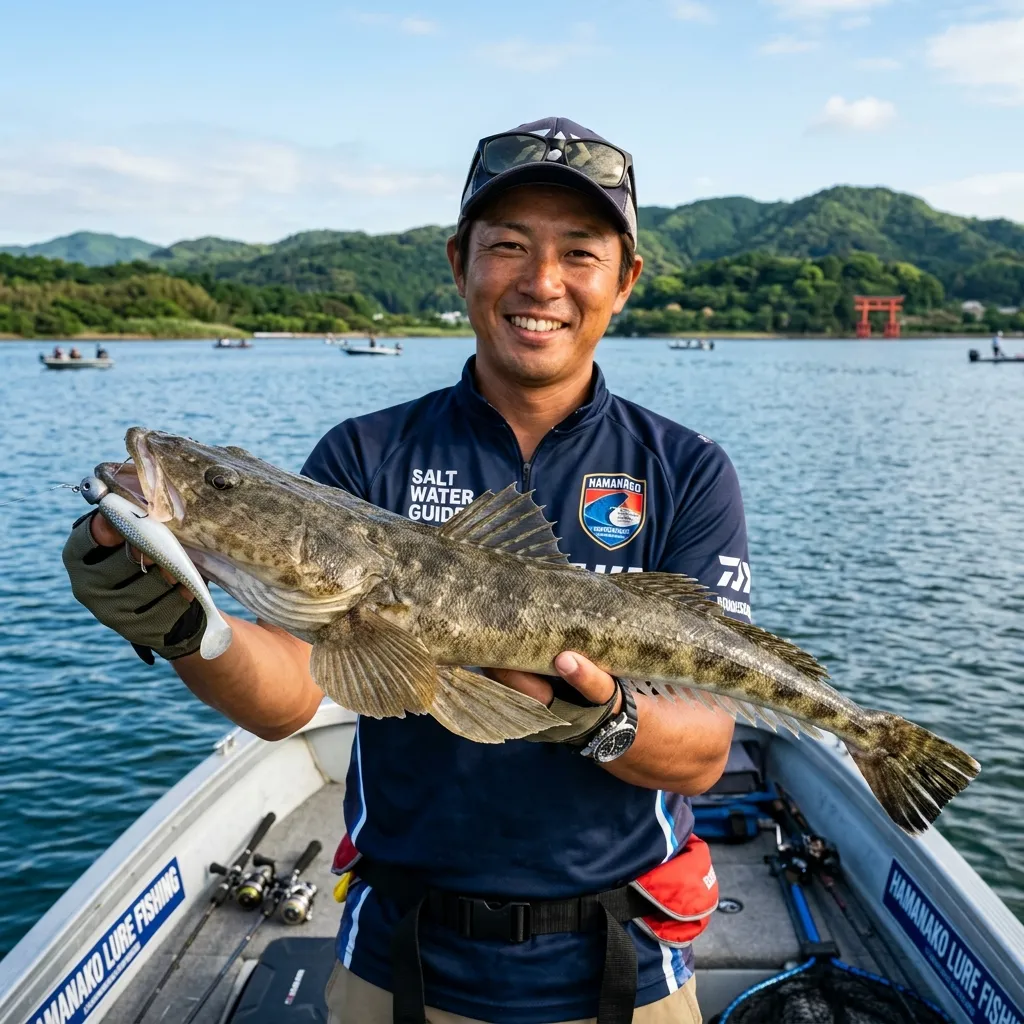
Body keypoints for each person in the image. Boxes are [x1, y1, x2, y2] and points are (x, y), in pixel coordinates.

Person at [63, 117, 751, 1024]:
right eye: (508, 246)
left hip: (626, 965)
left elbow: (703, 752)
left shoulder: (687, 468)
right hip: (398, 963)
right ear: (460, 262)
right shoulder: (365, 455)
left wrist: (601, 719)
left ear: (623, 282)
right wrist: (191, 626)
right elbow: (293, 695)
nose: (541, 282)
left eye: (578, 253)